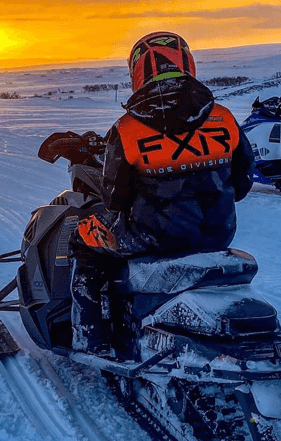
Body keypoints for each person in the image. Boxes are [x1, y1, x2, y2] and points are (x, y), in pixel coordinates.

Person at [71, 31, 255, 353]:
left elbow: (115, 199)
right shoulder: (223, 117)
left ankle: (91, 335)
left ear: (138, 72)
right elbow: (242, 183)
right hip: (218, 234)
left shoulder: (128, 129)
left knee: (83, 236)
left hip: (154, 237)